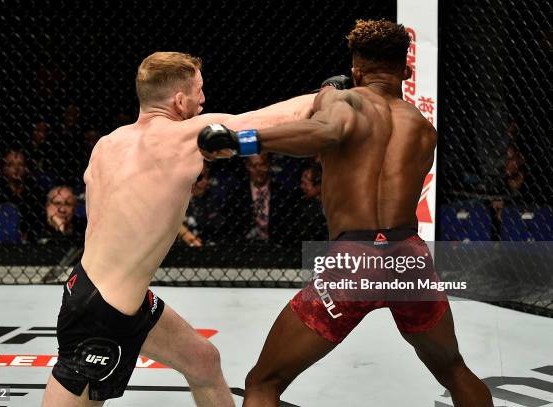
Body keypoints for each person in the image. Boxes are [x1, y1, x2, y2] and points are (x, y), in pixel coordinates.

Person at [199, 20, 493, 407]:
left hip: (356, 261)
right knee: (453, 369)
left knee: (263, 381)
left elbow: (325, 133)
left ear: (356, 71)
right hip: (410, 257)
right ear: (405, 71)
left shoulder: (345, 102)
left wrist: (242, 140)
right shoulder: (424, 128)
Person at [42, 51, 315, 406]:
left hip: (108, 295)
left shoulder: (107, 144)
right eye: (199, 91)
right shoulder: (187, 137)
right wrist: (334, 92)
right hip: (102, 314)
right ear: (180, 99)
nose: (204, 100)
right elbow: (282, 117)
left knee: (203, 360)